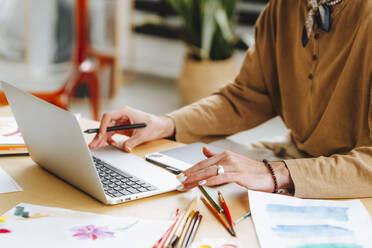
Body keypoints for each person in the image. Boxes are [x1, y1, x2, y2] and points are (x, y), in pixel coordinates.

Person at [89, 0, 372, 199]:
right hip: (296, 158)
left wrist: (275, 173)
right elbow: (248, 95)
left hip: (355, 184)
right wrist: (166, 124)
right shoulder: (284, 7)